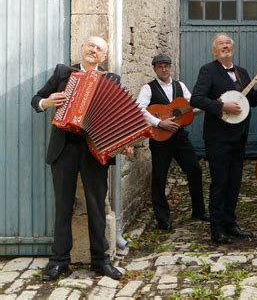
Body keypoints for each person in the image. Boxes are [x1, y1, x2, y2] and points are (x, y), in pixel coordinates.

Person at [31, 36, 125, 280]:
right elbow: (36, 100)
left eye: (99, 49)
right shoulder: (63, 73)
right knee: (63, 207)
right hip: (65, 149)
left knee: (96, 206)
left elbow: (117, 116)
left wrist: (122, 142)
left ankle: (100, 261)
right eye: (90, 45)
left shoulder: (111, 79)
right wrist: (46, 102)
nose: (93, 50)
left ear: (103, 57)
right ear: (83, 48)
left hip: (95, 150)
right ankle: (59, 261)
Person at [190, 33, 257, 244]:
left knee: (234, 182)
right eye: (220, 44)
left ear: (232, 48)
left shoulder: (242, 72)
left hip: (239, 135)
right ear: (214, 51)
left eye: (228, 43)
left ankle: (230, 222)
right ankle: (217, 228)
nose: (225, 46)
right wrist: (221, 106)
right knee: (220, 182)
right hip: (218, 137)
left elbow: (251, 102)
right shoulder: (208, 70)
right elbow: (196, 98)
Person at [136, 53, 208, 231]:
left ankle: (199, 210)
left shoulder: (180, 86)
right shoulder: (148, 88)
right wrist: (159, 122)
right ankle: (163, 219)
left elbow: (192, 105)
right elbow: (139, 109)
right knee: (159, 178)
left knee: (195, 169)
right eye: (160, 66)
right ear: (154, 68)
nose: (164, 69)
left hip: (180, 137)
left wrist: (208, 104)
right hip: (160, 138)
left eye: (167, 65)